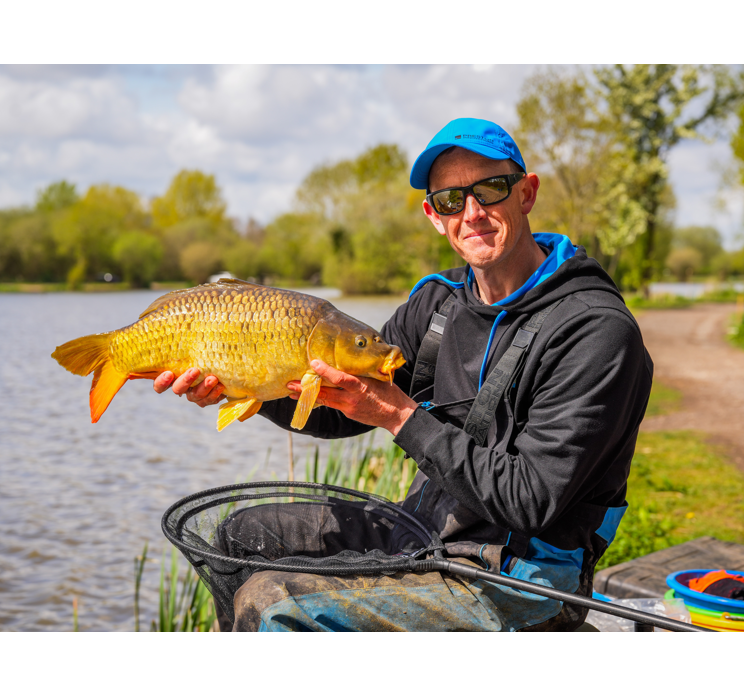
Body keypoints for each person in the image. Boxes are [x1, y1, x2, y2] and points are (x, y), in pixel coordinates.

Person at [154, 118, 653, 632]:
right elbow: (342, 414)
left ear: (526, 194)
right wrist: (247, 389)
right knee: (245, 534)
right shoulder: (436, 305)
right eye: (451, 200)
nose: (473, 213)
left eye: (491, 189)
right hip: (424, 532)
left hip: (524, 578)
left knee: (277, 600)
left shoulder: (595, 331)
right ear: (434, 216)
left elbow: (530, 499)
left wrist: (398, 415)